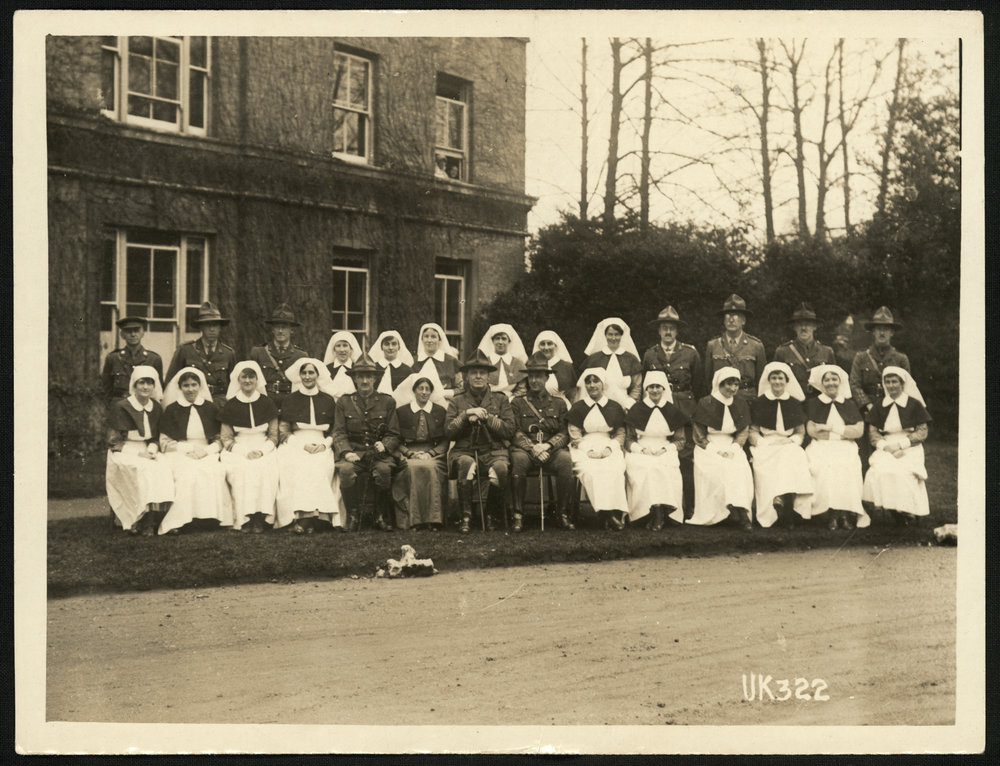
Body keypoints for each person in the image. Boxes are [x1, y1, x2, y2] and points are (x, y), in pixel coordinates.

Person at [641, 305, 702, 518]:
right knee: (661, 456)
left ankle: (689, 506)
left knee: (686, 457)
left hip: (684, 408)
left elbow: (699, 385)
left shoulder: (690, 353)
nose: (668, 332)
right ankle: (660, 505)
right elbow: (647, 385)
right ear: (659, 331)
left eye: (672, 328)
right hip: (659, 410)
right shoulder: (650, 354)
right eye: (664, 328)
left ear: (677, 331)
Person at [445, 349, 516, 533]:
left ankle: (491, 514)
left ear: (488, 376)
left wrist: (487, 418)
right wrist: (465, 415)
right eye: (473, 372)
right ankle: (466, 516)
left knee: (501, 468)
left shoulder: (500, 399)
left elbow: (509, 431)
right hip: (464, 450)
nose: (478, 376)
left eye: (482, 372)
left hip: (494, 451)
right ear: (467, 376)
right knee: (465, 463)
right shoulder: (457, 401)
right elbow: (449, 432)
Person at [157, 367, 233, 535]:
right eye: (186, 385)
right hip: (179, 451)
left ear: (200, 386)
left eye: (194, 385)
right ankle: (181, 519)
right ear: (180, 387)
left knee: (215, 470)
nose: (190, 389)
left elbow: (220, 438)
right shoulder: (172, 409)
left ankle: (211, 518)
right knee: (188, 473)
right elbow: (164, 442)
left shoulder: (210, 408)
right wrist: (188, 448)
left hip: (206, 451)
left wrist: (207, 451)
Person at [333, 352, 401, 531]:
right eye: (360, 376)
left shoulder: (387, 401)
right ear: (354, 378)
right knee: (346, 471)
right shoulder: (344, 402)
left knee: (384, 471)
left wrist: (385, 445)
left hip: (378, 454)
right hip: (354, 452)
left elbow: (394, 433)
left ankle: (380, 515)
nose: (364, 381)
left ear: (374, 379)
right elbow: (339, 432)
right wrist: (346, 452)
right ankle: (353, 515)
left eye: (368, 376)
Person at [276, 358, 344, 534]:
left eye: (311, 373)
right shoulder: (290, 399)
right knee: (298, 465)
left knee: (320, 465)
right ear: (299, 376)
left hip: (322, 443)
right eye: (304, 373)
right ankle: (304, 517)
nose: (307, 376)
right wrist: (302, 445)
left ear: (317, 375)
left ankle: (318, 517)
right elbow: (283, 430)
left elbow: (336, 429)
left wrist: (325, 444)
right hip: (295, 443)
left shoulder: (328, 400)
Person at [105, 366, 175, 535]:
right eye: (141, 383)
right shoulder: (121, 406)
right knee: (142, 470)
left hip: (148, 449)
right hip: (124, 451)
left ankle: (155, 518)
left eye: (150, 383)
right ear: (134, 385)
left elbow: (156, 436)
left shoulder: (156, 407)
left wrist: (151, 449)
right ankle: (138, 518)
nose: (145, 387)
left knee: (164, 467)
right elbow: (114, 442)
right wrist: (138, 454)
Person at [509, 356, 577, 532]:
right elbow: (515, 431)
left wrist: (548, 446)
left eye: (539, 376)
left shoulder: (559, 403)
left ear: (547, 378)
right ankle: (518, 515)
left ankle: (562, 513)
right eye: (531, 376)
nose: (534, 380)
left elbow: (564, 433)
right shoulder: (517, 403)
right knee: (518, 461)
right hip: (526, 450)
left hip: (550, 450)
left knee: (565, 460)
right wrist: (533, 448)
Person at [862, 367, 931, 527]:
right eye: (887, 382)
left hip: (910, 445)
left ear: (902, 384)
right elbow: (873, 432)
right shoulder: (880, 405)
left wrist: (902, 444)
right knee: (880, 471)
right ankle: (892, 509)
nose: (891, 385)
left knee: (903, 472)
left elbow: (922, 431)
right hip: (886, 444)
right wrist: (886, 446)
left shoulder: (914, 404)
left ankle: (907, 510)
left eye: (894, 382)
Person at [748, 361, 813, 528]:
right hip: (766, 444)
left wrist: (792, 440)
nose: (777, 381)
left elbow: (800, 432)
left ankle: (788, 508)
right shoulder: (759, 402)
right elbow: (753, 431)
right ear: (769, 380)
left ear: (787, 381)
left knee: (794, 455)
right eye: (774, 378)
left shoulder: (794, 403)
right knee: (766, 463)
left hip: (787, 443)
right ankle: (773, 507)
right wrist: (761, 442)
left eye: (781, 378)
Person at [688, 367, 754, 530]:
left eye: (736, 385)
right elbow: (699, 435)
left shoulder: (740, 403)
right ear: (720, 384)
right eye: (729, 384)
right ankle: (725, 512)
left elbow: (743, 431)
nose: (733, 388)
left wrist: (733, 448)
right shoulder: (706, 403)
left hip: (732, 445)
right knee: (721, 467)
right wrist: (715, 450)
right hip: (708, 447)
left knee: (739, 468)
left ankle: (741, 511)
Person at [218, 361, 280, 533]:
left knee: (266, 469)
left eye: (251, 377)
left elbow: (274, 436)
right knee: (242, 470)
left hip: (264, 446)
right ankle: (245, 518)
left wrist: (261, 451)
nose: (247, 381)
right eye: (244, 377)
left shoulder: (267, 403)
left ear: (257, 379)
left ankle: (261, 517)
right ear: (238, 379)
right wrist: (245, 452)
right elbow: (226, 438)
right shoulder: (231, 405)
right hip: (237, 448)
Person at [804, 365, 868, 530]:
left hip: (846, 446)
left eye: (834, 379)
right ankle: (832, 514)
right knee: (826, 468)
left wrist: (830, 428)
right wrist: (844, 432)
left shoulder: (849, 403)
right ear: (821, 383)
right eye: (827, 380)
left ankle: (844, 514)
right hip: (820, 446)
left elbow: (858, 431)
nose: (831, 383)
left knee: (847, 466)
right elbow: (812, 431)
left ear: (840, 382)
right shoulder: (814, 403)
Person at [624, 370, 689, 530]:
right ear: (646, 389)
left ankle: (662, 512)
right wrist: (641, 449)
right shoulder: (636, 409)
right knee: (646, 468)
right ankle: (648, 513)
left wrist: (666, 449)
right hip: (641, 449)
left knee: (664, 466)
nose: (654, 390)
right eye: (651, 387)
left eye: (658, 387)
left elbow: (680, 440)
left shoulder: (672, 410)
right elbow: (628, 439)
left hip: (665, 449)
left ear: (664, 388)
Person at [566, 367, 629, 530]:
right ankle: (606, 514)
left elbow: (621, 433)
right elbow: (574, 433)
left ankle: (614, 512)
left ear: (603, 384)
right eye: (588, 382)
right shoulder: (578, 407)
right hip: (583, 446)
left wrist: (610, 448)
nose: (592, 385)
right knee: (591, 470)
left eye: (596, 381)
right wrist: (588, 450)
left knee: (615, 469)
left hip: (609, 444)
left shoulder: (614, 406)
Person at [850, 307, 911, 473]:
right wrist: (868, 406)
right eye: (878, 329)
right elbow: (854, 384)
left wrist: (891, 408)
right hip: (866, 410)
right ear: (873, 332)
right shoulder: (861, 357)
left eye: (886, 329)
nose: (882, 332)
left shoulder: (900, 359)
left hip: (892, 410)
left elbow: (906, 387)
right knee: (864, 453)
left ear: (892, 333)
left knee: (891, 452)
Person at [391, 368, 449, 531]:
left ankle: (433, 520)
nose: (424, 392)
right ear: (414, 390)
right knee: (412, 469)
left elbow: (446, 440)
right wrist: (410, 453)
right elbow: (394, 438)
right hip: (407, 454)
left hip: (434, 454)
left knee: (431, 468)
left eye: (427, 389)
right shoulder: (402, 412)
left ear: (431, 392)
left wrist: (431, 453)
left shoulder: (440, 411)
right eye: (420, 388)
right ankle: (413, 520)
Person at [164, 302, 237, 406]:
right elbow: (170, 382)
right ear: (201, 327)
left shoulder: (228, 353)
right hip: (193, 403)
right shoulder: (185, 350)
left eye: (215, 325)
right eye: (207, 325)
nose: (212, 329)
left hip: (220, 405)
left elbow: (234, 385)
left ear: (220, 327)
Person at [703, 294, 767, 405]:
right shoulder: (713, 345)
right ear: (723, 320)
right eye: (728, 315)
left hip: (747, 401)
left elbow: (762, 381)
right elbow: (708, 380)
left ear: (743, 321)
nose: (731, 319)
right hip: (720, 400)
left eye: (736, 315)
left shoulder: (756, 346)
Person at [248, 304, 308, 410]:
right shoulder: (258, 352)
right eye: (277, 327)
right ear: (272, 330)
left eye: (284, 327)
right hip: (264, 404)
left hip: (290, 405)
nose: (280, 331)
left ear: (291, 330)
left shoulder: (301, 356)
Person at [772, 303, 835, 397]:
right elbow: (775, 382)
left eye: (808, 324)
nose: (803, 328)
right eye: (799, 324)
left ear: (815, 327)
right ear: (794, 327)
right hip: (793, 401)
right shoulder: (782, 352)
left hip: (819, 402)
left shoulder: (826, 352)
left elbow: (834, 381)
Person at [101, 315, 164, 405]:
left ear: (143, 333)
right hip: (120, 405)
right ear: (122, 335)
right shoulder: (113, 358)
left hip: (144, 405)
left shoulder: (153, 359)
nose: (133, 334)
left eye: (137, 330)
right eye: (128, 331)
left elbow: (158, 389)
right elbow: (106, 389)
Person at [581, 317, 642, 410]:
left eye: (617, 334)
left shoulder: (631, 359)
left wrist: (629, 404)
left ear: (622, 336)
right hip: (598, 407)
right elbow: (586, 385)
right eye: (610, 334)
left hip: (624, 407)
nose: (613, 338)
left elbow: (637, 387)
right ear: (605, 335)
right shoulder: (594, 359)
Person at [477, 323, 528, 399]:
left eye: (504, 339)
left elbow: (522, 389)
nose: (500, 342)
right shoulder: (484, 362)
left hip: (511, 400)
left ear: (509, 341)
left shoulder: (518, 363)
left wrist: (511, 399)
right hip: (486, 399)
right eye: (497, 338)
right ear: (492, 341)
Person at [414, 322, 463, 399]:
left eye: (433, 337)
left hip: (446, 402)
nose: (429, 340)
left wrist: (446, 393)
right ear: (422, 339)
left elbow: (462, 388)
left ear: (440, 340)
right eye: (426, 336)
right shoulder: (413, 362)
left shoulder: (451, 361)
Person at [530, 330, 577, 403]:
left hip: (561, 405)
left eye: (549, 344)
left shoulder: (566, 366)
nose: (546, 348)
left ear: (555, 345)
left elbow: (572, 391)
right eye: (542, 344)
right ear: (538, 346)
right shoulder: (531, 366)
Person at [369, 330, 414, 396]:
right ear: (381, 347)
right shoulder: (373, 369)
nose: (390, 348)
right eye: (387, 344)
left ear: (399, 347)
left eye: (394, 344)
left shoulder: (407, 371)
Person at [322, 330, 364, 400]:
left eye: (345, 345)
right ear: (334, 350)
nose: (342, 350)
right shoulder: (326, 369)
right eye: (338, 346)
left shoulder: (357, 369)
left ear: (351, 349)